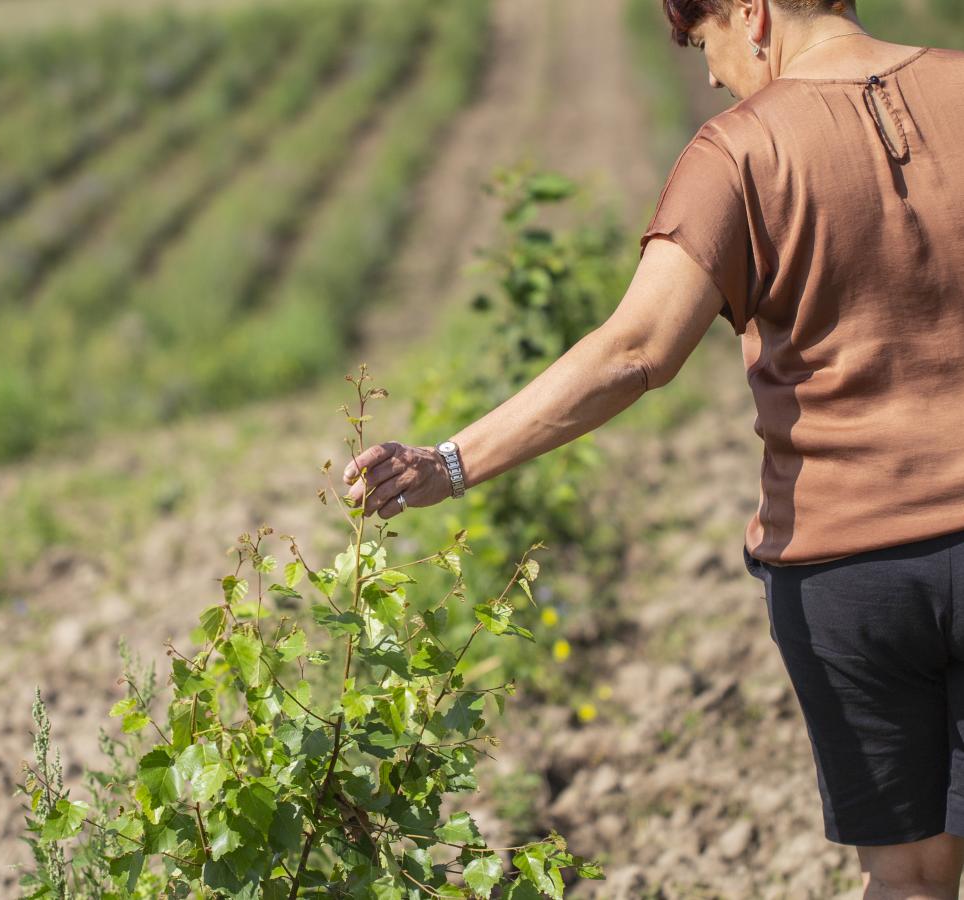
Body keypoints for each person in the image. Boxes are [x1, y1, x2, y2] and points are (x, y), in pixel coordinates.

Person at [341, 0, 964, 896]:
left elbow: (635, 350)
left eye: (702, 40)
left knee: (907, 878)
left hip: (847, 574)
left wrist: (449, 462)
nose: (708, 73)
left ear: (751, 12)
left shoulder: (742, 151)